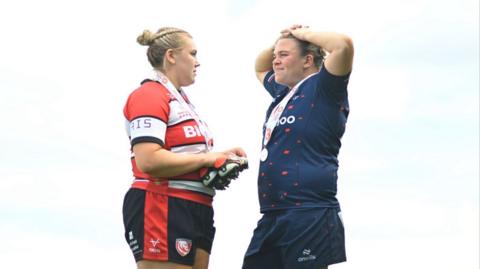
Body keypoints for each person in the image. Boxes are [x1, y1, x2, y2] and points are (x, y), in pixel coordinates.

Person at [122, 27, 246, 269]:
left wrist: (220, 158)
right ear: (171, 56)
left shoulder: (182, 100)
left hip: (197, 206)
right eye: (193, 53)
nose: (197, 62)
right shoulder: (149, 94)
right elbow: (148, 160)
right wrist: (207, 160)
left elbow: (186, 155)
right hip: (162, 202)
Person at [242, 25, 354, 269]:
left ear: (308, 60)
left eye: (284, 56)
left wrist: (303, 34)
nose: (275, 61)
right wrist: (282, 40)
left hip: (309, 213)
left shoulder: (325, 86)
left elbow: (342, 45)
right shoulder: (283, 92)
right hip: (273, 214)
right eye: (275, 55)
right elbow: (259, 66)